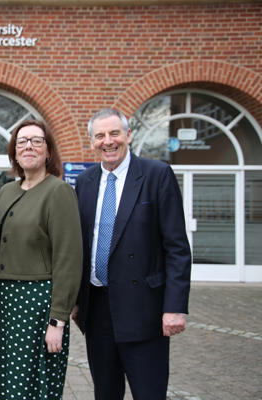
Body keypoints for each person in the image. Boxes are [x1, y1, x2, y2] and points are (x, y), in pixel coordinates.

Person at [72, 108, 192, 400]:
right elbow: (80, 246)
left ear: (128, 135)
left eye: (114, 133)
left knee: (148, 393)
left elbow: (176, 247)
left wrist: (175, 307)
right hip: (98, 309)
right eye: (99, 136)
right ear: (92, 143)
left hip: (144, 310)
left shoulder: (156, 175)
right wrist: (75, 301)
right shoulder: (85, 182)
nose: (107, 141)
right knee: (105, 392)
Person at [0, 120, 83, 399]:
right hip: (0, 304)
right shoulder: (8, 190)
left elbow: (68, 260)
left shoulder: (59, 192)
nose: (28, 146)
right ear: (14, 152)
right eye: (22, 141)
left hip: (36, 306)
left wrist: (57, 321)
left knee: (27, 385)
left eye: (36, 141)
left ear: (48, 151)